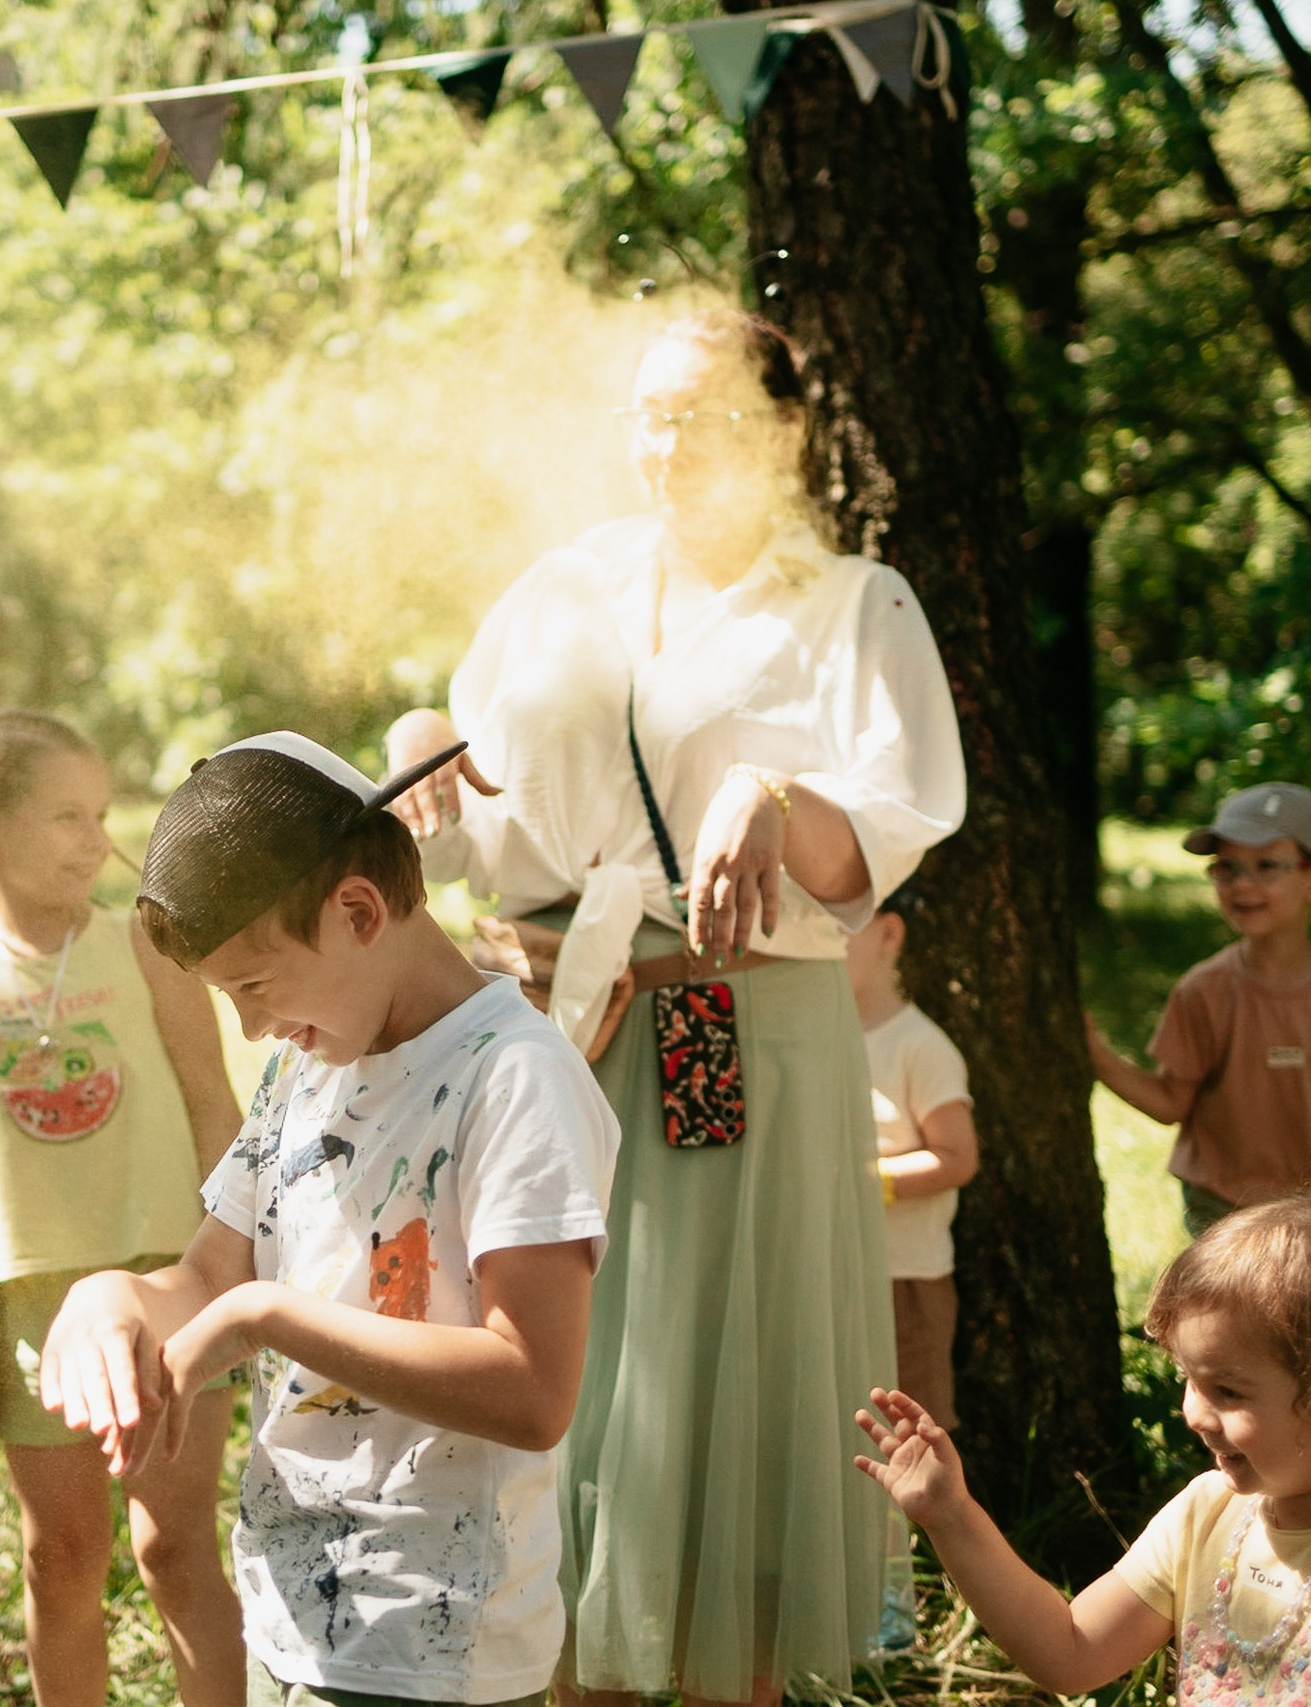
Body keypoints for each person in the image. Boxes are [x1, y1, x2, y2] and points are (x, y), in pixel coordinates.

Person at [385, 308, 967, 1705]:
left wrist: (770, 792)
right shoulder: (562, 587)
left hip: (735, 1033)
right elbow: (473, 810)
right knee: (575, 1389)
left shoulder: (853, 602)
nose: (671, 443)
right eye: (650, 414)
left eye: (706, 414)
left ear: (784, 429)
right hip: (562, 1039)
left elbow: (890, 828)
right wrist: (418, 745)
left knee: (724, 1396)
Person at [40, 732, 620, 1707]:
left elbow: (532, 1389)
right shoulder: (303, 1070)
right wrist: (113, 1296)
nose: (250, 1027)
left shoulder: (515, 1079)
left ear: (358, 911)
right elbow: (207, 1278)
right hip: (289, 1624)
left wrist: (267, 1316)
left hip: (436, 1653)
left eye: (254, 985)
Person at [0, 709, 246, 1707]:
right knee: (59, 1556)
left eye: (101, 816)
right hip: (35, 1300)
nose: (95, 840)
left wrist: (234, 1259)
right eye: (67, 816)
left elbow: (215, 1105)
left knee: (173, 1547)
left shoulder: (144, 945)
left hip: (171, 1277)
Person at [855, 1186, 1311, 1701]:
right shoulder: (1207, 1515)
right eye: (1188, 1378)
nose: (1194, 1413)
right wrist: (951, 1514)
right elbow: (1070, 1651)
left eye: (1228, 1391)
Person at [1086, 782, 1311, 1236]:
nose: (1241, 884)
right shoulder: (1204, 990)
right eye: (1227, 867)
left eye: (1266, 866)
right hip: (1223, 1210)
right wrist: (1096, 1055)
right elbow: (1170, 1102)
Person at [842, 885, 978, 1651]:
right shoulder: (821, 1037)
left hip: (906, 1279)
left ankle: (907, 1598)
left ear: (889, 935)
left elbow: (957, 1156)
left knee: (909, 1435)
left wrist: (869, 1183)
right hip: (839, 1274)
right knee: (849, 1430)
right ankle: (856, 1583)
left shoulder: (919, 1044)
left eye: (840, 931)